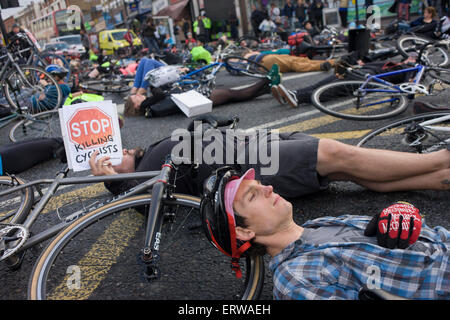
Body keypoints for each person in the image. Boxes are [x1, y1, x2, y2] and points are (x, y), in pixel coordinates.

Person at [200, 167, 449, 299]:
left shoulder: (320, 223)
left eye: (259, 185)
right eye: (253, 195)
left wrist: (407, 213)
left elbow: (425, 232)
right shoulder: (294, 279)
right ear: (244, 231)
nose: (268, 188)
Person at [89, 112, 450, 201]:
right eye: (109, 159)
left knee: (344, 166)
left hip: (252, 142)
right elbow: (138, 201)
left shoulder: (150, 154)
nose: (115, 153)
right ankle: (439, 161)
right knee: (338, 155)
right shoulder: (142, 182)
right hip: (247, 163)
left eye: (114, 151)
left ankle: (436, 176)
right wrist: (107, 178)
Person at [242, 47, 334, 73]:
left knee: (296, 63)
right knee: (299, 61)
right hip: (267, 59)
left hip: (267, 61)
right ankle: (330, 63)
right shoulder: (248, 55)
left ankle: (326, 64)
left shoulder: (246, 58)